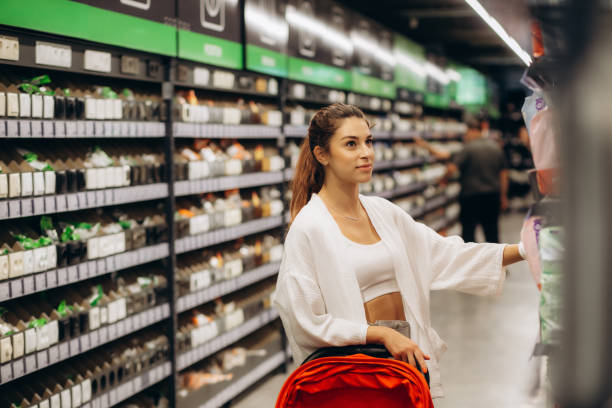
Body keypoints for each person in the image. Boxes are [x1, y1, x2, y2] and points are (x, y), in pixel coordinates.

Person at [272, 103, 527, 400]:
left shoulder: (382, 212)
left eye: (368, 142)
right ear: (322, 154)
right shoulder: (309, 228)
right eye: (351, 144)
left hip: (400, 370)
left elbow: (444, 253)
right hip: (356, 380)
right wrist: (379, 334)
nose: (366, 153)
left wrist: (525, 249)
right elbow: (304, 320)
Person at [419, 118, 509, 243]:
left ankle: (472, 261)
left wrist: (443, 180)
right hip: (492, 197)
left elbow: (451, 168)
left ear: (473, 131)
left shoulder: (468, 149)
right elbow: (504, 174)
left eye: (467, 133)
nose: (466, 136)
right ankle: (496, 261)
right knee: (492, 233)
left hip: (471, 198)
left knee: (469, 234)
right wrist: (503, 196)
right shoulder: (496, 148)